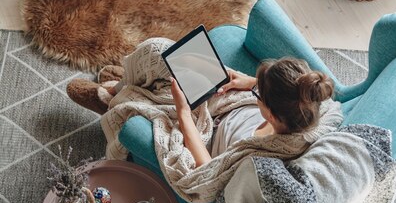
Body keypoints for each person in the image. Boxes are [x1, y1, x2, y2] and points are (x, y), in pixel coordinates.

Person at [67, 55, 340, 168]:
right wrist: (248, 82)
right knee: (162, 51)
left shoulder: (258, 159)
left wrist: (184, 113)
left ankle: (112, 96)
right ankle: (126, 80)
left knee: (141, 100)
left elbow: (208, 168)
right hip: (223, 101)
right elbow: (287, 95)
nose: (255, 93)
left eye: (259, 95)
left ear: (272, 114)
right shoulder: (304, 109)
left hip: (202, 126)